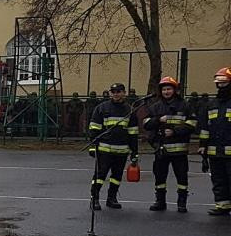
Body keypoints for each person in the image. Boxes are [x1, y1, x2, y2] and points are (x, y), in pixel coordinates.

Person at [143, 76, 195, 213]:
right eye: (164, 89)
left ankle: (182, 203)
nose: (166, 92)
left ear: (174, 90)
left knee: (182, 177)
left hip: (179, 150)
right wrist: (158, 120)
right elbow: (146, 124)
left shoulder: (184, 105)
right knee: (160, 176)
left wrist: (174, 131)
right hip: (161, 149)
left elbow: (192, 124)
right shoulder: (155, 107)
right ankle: (160, 201)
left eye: (169, 89)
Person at [87, 83, 139, 210]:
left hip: (122, 151)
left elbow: (133, 133)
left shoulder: (129, 111)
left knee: (116, 177)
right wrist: (93, 147)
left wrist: (134, 152)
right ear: (110, 93)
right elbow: (94, 128)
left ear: (124, 93)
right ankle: (95, 199)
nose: (116, 94)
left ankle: (112, 198)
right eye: (113, 91)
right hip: (104, 150)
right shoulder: (102, 108)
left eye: (119, 91)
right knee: (100, 176)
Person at [197, 67, 231, 216]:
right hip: (214, 151)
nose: (220, 86)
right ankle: (223, 205)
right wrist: (202, 146)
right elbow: (205, 128)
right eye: (219, 83)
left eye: (224, 83)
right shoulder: (211, 104)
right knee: (218, 179)